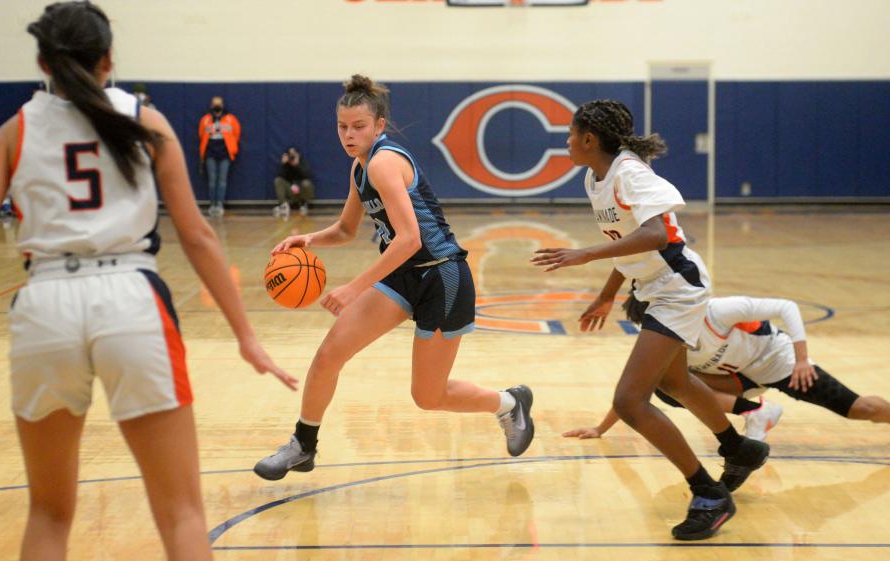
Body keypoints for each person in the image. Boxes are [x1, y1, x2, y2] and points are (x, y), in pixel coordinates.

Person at [0, 3, 296, 560]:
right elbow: (197, 237)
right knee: (182, 513)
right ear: (108, 59)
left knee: (48, 515)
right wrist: (245, 335)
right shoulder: (145, 120)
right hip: (131, 299)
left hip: (43, 304)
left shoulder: (15, 130)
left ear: (41, 61)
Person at [254, 74, 534, 481]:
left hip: (443, 278)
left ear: (379, 125)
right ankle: (303, 445)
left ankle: (509, 403)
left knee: (428, 396)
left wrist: (353, 288)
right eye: (342, 126)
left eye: (358, 126)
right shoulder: (360, 167)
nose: (349, 135)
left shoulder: (385, 163)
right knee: (329, 355)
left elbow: (408, 239)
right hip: (404, 277)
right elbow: (346, 230)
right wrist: (308, 239)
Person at [531, 99, 769, 541]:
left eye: (569, 134)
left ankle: (709, 494)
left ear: (589, 139)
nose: (565, 141)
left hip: (678, 286)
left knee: (629, 401)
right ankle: (739, 447)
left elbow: (656, 234)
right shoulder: (594, 178)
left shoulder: (629, 172)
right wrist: (606, 295)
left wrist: (584, 254)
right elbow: (627, 240)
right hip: (654, 287)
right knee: (674, 383)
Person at [567, 294, 890, 441]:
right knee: (665, 383)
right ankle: (755, 412)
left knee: (861, 408)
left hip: (777, 361)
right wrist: (600, 428)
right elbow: (635, 388)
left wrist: (802, 358)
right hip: (734, 380)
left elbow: (786, 307)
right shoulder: (659, 336)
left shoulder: (717, 311)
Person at [198, 96, 240, 217]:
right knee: (212, 180)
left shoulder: (230, 119)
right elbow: (201, 134)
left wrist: (232, 148)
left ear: (222, 105)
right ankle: (213, 205)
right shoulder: (205, 120)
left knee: (222, 180)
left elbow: (236, 133)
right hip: (210, 152)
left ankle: (220, 205)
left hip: (225, 153)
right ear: (211, 105)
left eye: (219, 104)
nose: (217, 106)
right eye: (215, 104)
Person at [273, 146, 315, 217]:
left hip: (301, 190)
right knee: (278, 180)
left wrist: (297, 165)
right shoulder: (286, 165)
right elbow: (280, 176)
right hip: (291, 190)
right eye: (290, 155)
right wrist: (283, 165)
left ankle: (304, 204)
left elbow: (308, 176)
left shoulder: (302, 162)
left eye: (293, 155)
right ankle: (283, 205)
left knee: (307, 183)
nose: (291, 157)